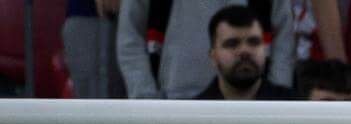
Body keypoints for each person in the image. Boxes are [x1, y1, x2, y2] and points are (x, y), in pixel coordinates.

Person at [118, 0, 295, 100]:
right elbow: (130, 36)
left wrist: (276, 97)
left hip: (252, 102)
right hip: (174, 103)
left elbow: (284, 36)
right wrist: (145, 97)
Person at [196, 5, 297, 99]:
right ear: (213, 57)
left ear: (265, 50)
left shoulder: (294, 108)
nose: (244, 51)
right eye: (232, 44)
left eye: (254, 42)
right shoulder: (193, 113)